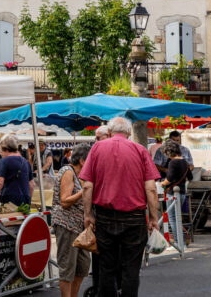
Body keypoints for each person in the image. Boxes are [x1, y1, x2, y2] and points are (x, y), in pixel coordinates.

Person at [80, 117, 160, 297]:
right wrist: (154, 218)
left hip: (104, 217)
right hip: (134, 218)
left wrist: (88, 214)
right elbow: (151, 188)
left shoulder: (97, 148)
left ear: (109, 132)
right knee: (131, 269)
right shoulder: (140, 150)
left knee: (106, 267)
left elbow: (87, 186)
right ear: (129, 133)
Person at [52, 143, 92, 297]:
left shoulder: (81, 175)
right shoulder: (67, 171)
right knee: (67, 267)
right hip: (66, 224)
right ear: (82, 160)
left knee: (83, 266)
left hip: (79, 226)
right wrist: (84, 191)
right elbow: (64, 200)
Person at [160, 140, 193, 244]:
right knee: (178, 218)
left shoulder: (173, 162)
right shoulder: (185, 162)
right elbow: (190, 177)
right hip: (182, 193)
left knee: (172, 218)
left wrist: (162, 183)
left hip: (172, 194)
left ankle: (178, 243)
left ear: (169, 152)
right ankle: (181, 243)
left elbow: (169, 179)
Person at [0, 135, 34, 206]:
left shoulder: (3, 161)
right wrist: (28, 201)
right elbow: (31, 185)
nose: (1, 154)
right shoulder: (26, 162)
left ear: (5, 148)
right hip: (24, 200)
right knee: (22, 217)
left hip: (8, 200)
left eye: (1, 151)